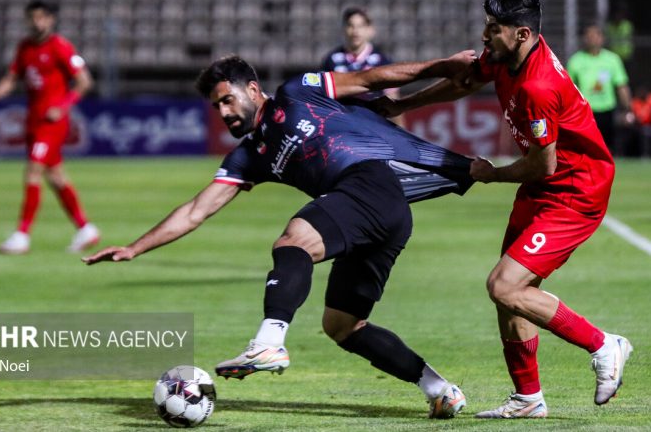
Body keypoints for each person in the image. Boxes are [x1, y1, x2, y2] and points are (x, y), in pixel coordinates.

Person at [83, 53, 479, 418]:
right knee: (343, 326)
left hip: (371, 184)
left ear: (253, 90)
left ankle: (269, 342)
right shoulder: (248, 155)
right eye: (217, 106)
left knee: (293, 242)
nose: (224, 112)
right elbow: (195, 211)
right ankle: (439, 389)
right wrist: (135, 247)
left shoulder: (297, 93)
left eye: (228, 100)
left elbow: (371, 78)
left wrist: (441, 65)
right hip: (377, 213)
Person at [377, 0, 632, 418]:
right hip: (544, 186)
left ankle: (604, 345)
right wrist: (402, 105)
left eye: (493, 29)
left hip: (575, 191)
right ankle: (528, 398)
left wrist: (491, 173)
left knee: (504, 286)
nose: (485, 35)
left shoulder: (537, 87)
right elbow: (464, 82)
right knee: (511, 293)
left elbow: (544, 165)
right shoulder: (506, 56)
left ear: (522, 34)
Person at [0, 0, 99, 255]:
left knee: (33, 170)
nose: (37, 22)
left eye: (41, 17)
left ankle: (22, 235)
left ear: (51, 19)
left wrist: (63, 106)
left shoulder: (60, 46)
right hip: (34, 120)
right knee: (56, 176)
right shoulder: (25, 47)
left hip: (52, 123)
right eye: (32, 17)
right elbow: (11, 80)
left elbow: (84, 82)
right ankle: (85, 229)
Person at [322, 6, 405, 126]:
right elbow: (324, 100)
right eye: (351, 25)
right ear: (344, 29)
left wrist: (400, 130)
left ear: (370, 30)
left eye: (360, 26)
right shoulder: (331, 60)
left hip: (373, 125)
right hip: (342, 125)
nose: (355, 31)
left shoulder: (383, 61)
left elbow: (392, 99)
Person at [566, 24, 633, 153]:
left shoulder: (612, 60)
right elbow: (568, 89)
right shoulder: (576, 61)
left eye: (595, 35)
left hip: (607, 110)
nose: (592, 39)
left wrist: (627, 109)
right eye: (589, 36)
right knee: (586, 149)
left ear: (602, 38)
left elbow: (621, 86)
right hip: (585, 111)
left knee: (607, 148)